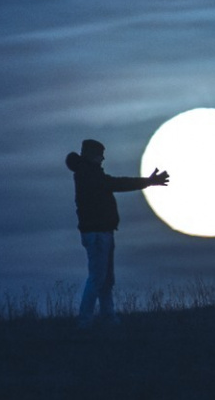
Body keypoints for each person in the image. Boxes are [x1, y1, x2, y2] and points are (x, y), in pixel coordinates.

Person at [66, 139, 169, 327]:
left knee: (105, 279)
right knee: (98, 277)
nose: (103, 157)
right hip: (97, 233)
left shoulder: (90, 173)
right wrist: (149, 181)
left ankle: (108, 317)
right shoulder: (88, 174)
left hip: (103, 231)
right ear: (91, 154)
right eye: (100, 153)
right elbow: (117, 184)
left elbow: (114, 183)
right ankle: (85, 321)